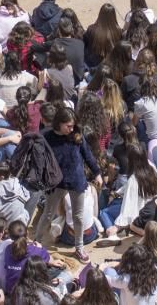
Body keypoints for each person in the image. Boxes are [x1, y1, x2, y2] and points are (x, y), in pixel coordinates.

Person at [34, 108, 101, 262]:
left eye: (72, 126)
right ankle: (36, 242)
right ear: (59, 123)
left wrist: (97, 173)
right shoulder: (46, 136)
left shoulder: (76, 135)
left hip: (76, 180)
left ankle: (79, 248)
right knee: (48, 214)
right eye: (68, 126)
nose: (71, 129)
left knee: (78, 216)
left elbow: (87, 154)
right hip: (56, 182)